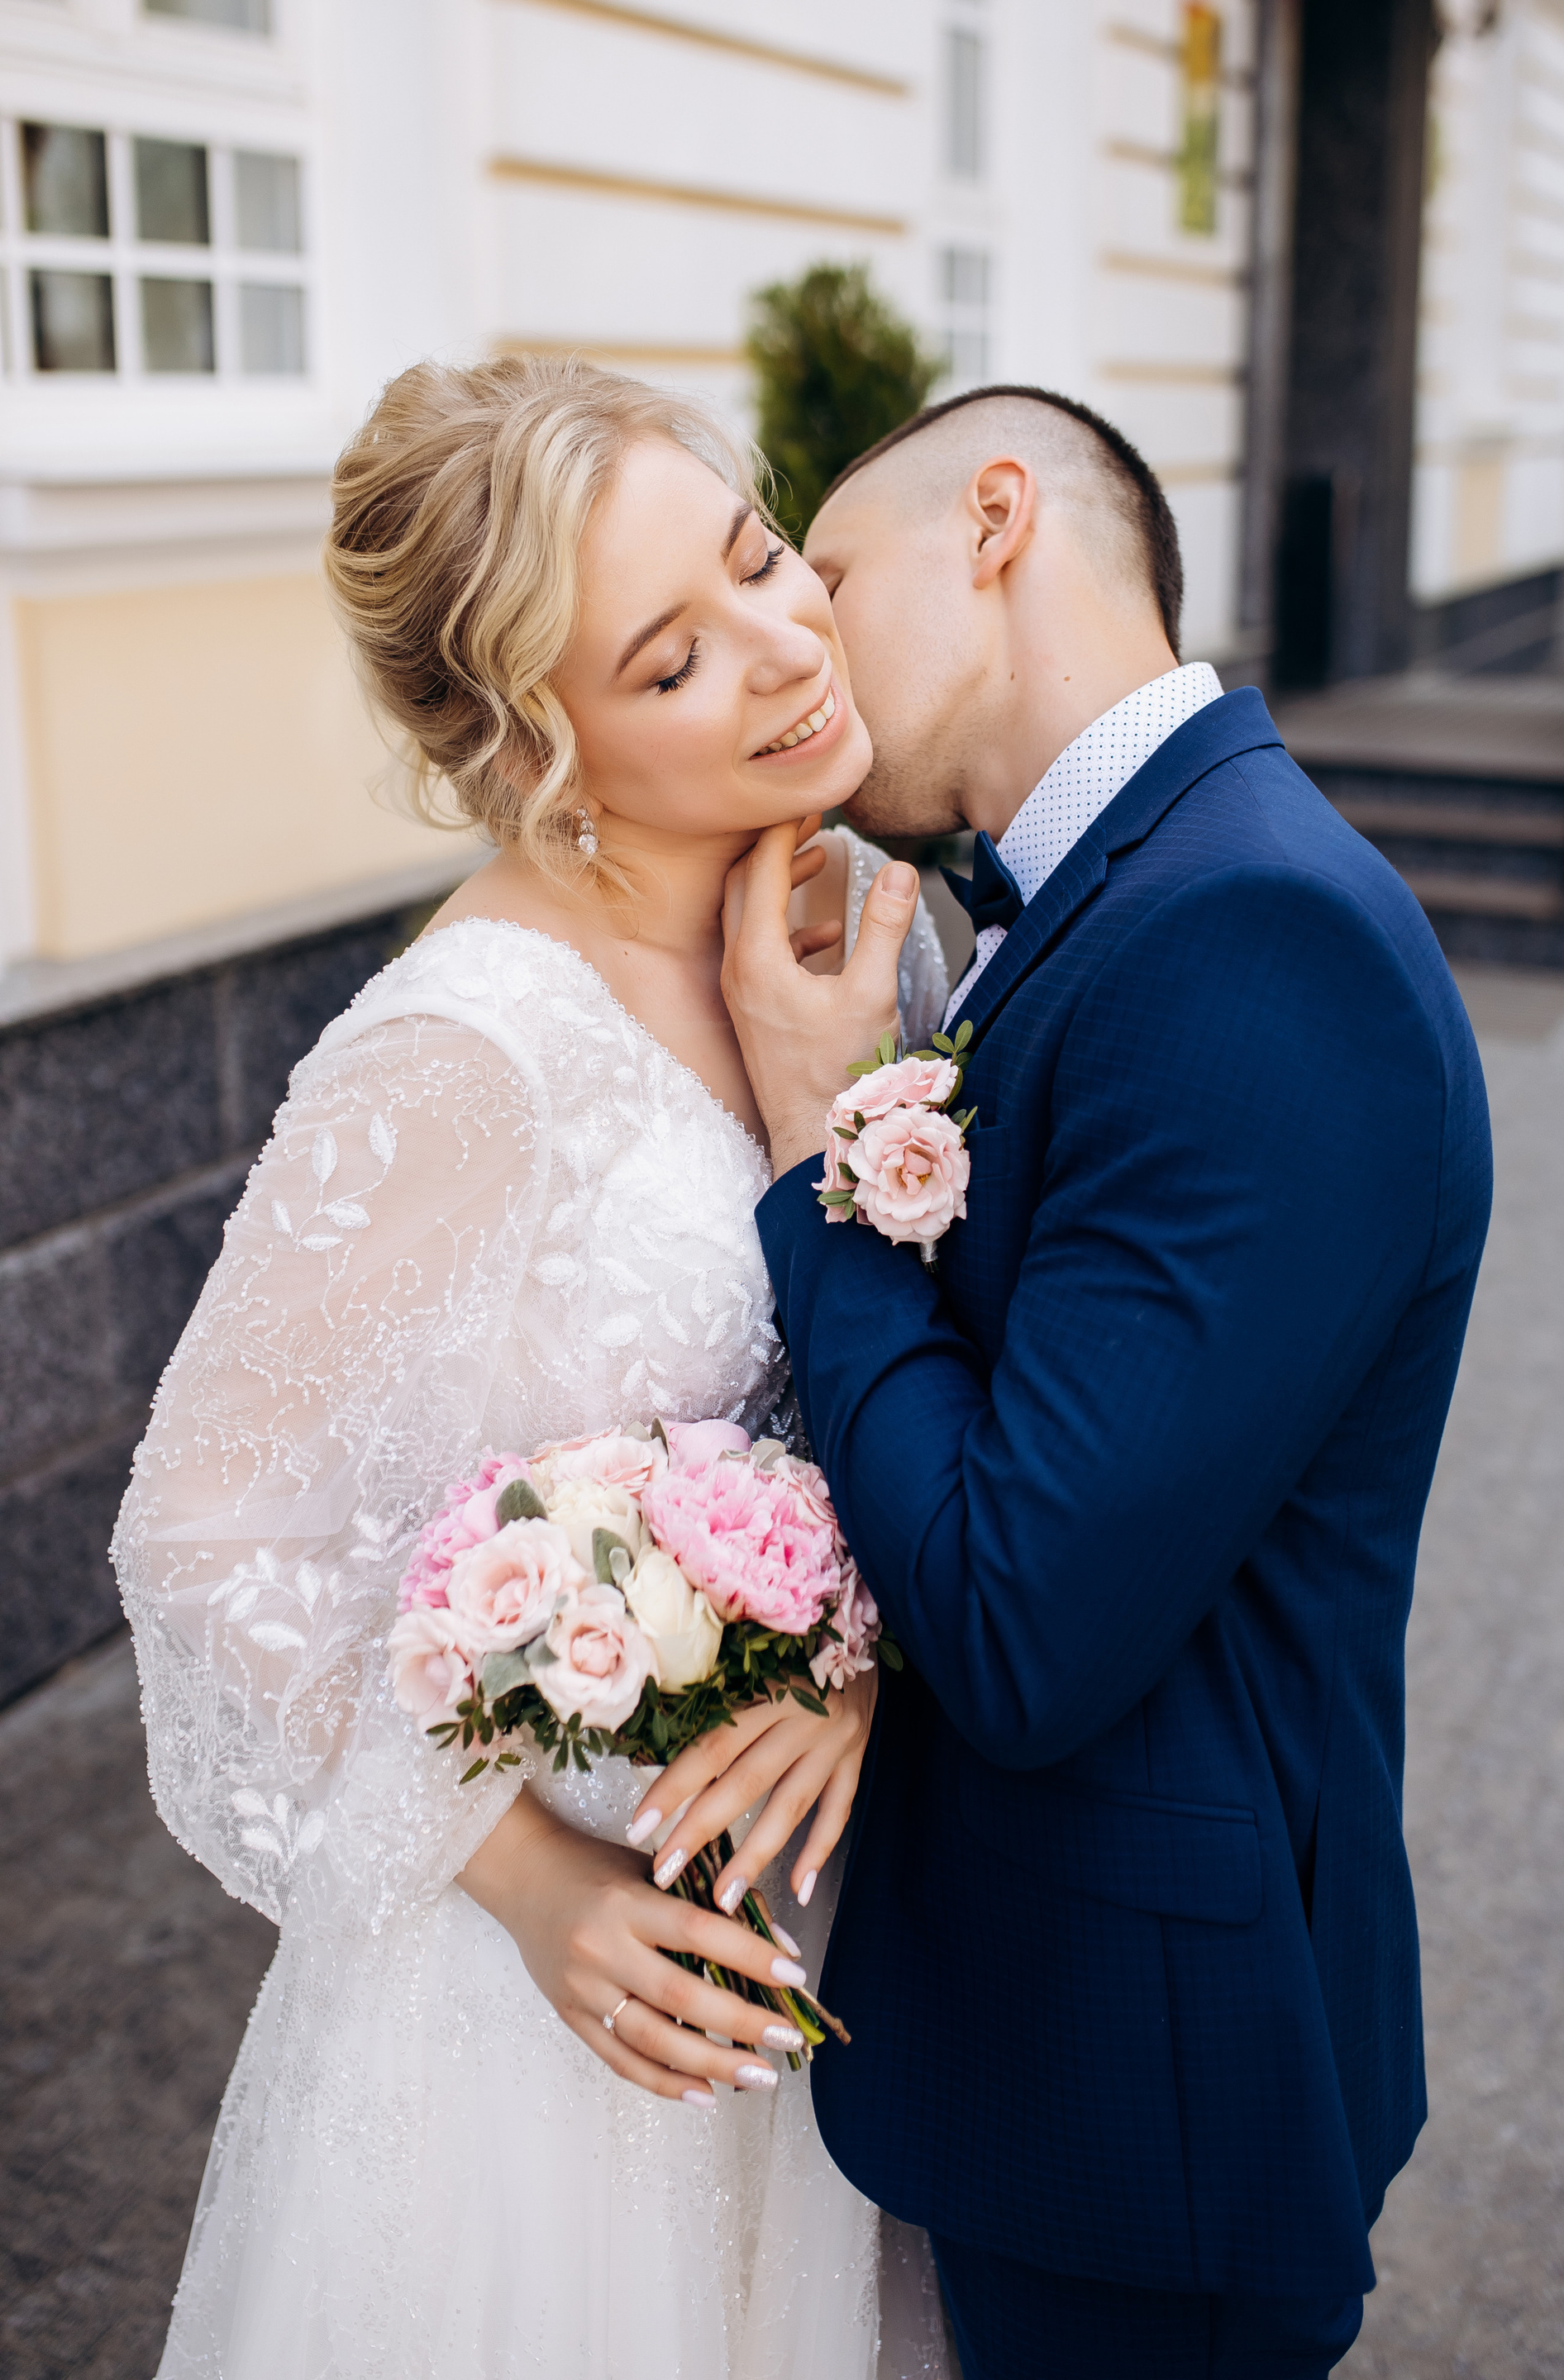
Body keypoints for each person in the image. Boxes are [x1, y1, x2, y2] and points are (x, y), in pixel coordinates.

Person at [112, 355, 952, 2380]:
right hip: (554, 1999)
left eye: (760, 556)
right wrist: (523, 1876)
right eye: (673, 660)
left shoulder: (858, 921)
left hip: (818, 1912)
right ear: (538, 746)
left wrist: (861, 1656)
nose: (784, 646)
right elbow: (201, 1529)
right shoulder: (467, 1052)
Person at [704, 387, 1494, 2379]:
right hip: (1062, 2029)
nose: (802, 634)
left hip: (1151, 2087)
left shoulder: (1253, 932)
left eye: (828, 571)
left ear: (997, 521)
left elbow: (1021, 1614)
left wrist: (815, 1150)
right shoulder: (1122, 893)